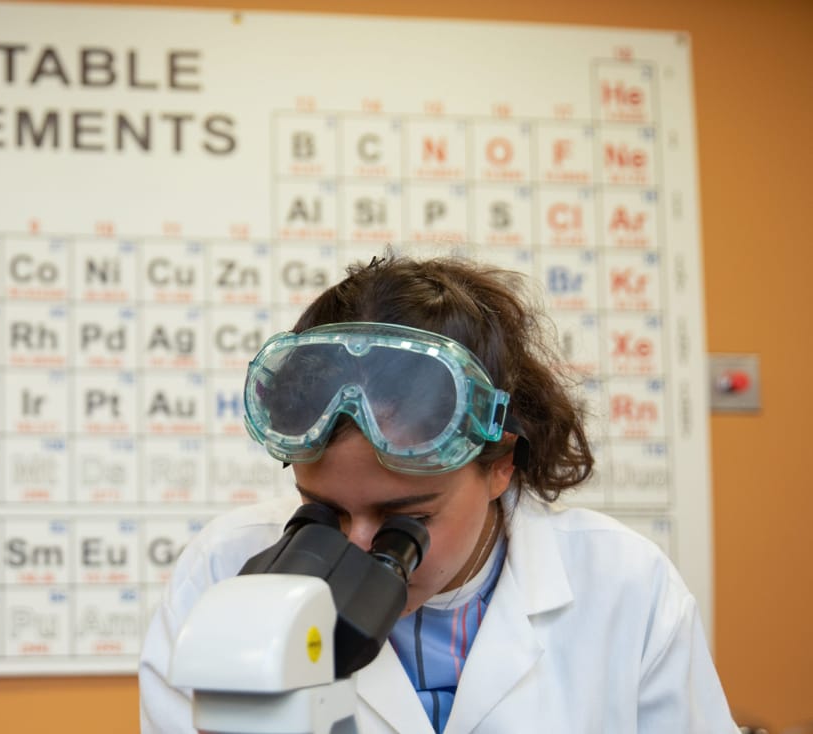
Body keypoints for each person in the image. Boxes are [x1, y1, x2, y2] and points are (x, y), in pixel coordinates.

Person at [139, 254, 736, 733]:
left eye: (407, 518)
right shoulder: (220, 577)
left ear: (500, 463)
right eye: (325, 512)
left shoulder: (626, 586)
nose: (361, 548)